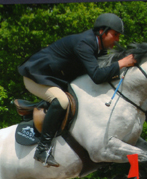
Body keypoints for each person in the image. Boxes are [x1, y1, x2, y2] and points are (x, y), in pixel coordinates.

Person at [18, 13, 137, 167]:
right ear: (102, 31)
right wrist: (122, 63)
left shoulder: (98, 48)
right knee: (61, 101)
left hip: (55, 78)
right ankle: (43, 149)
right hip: (36, 76)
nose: (117, 40)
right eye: (115, 35)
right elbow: (97, 76)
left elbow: (99, 74)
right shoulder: (85, 44)